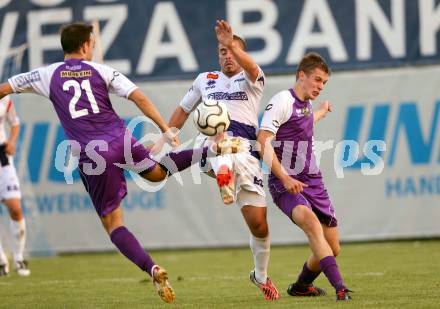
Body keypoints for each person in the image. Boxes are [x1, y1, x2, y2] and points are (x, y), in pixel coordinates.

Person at [0, 22, 237, 303]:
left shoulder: (46, 74)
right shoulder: (102, 70)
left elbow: (5, 89)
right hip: (120, 140)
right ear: (87, 45)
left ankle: (152, 267)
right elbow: (139, 96)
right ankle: (211, 149)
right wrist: (164, 127)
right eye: (92, 43)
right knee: (158, 173)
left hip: (92, 153)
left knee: (114, 225)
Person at [167, 20, 280, 301]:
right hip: (212, 149)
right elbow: (183, 110)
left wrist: (232, 43)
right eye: (222, 51)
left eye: (231, 51)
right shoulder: (205, 80)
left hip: (247, 156)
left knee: (259, 224)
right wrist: (167, 134)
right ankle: (223, 173)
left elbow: (252, 67)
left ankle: (260, 275)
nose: (227, 55)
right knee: (219, 144)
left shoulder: (253, 80)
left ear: (240, 53)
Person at [257, 52, 352, 301]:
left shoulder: (307, 105)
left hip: (313, 183)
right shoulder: (281, 101)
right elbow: (263, 141)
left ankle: (301, 286)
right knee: (311, 223)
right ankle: (340, 287)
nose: (320, 86)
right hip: (284, 184)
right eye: (317, 80)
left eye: (324, 83)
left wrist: (320, 112)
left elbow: (305, 123)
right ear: (301, 75)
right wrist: (285, 178)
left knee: (332, 247)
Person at [0, 95, 30, 277]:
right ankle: (2, 261)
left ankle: (18, 257)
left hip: (3, 158)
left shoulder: (3, 97)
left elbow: (15, 122)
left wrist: (12, 142)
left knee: (15, 207)